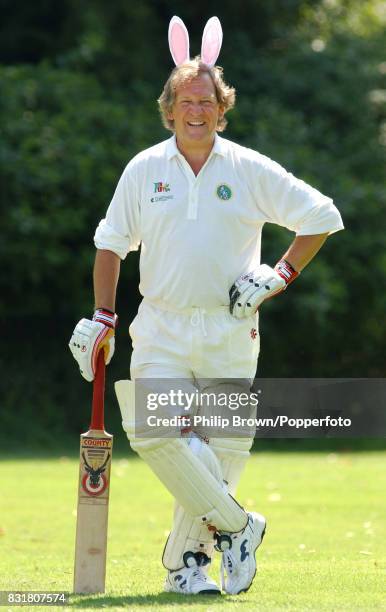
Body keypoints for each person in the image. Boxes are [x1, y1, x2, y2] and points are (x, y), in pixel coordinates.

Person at [69, 16, 344, 596]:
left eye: (208, 101)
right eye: (186, 100)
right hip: (162, 326)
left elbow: (322, 216)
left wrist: (279, 274)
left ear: (223, 109)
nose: (197, 110)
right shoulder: (144, 169)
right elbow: (110, 243)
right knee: (153, 430)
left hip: (230, 328)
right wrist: (102, 316)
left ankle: (185, 568)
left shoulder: (247, 167)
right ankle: (242, 527)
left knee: (217, 457)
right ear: (168, 109)